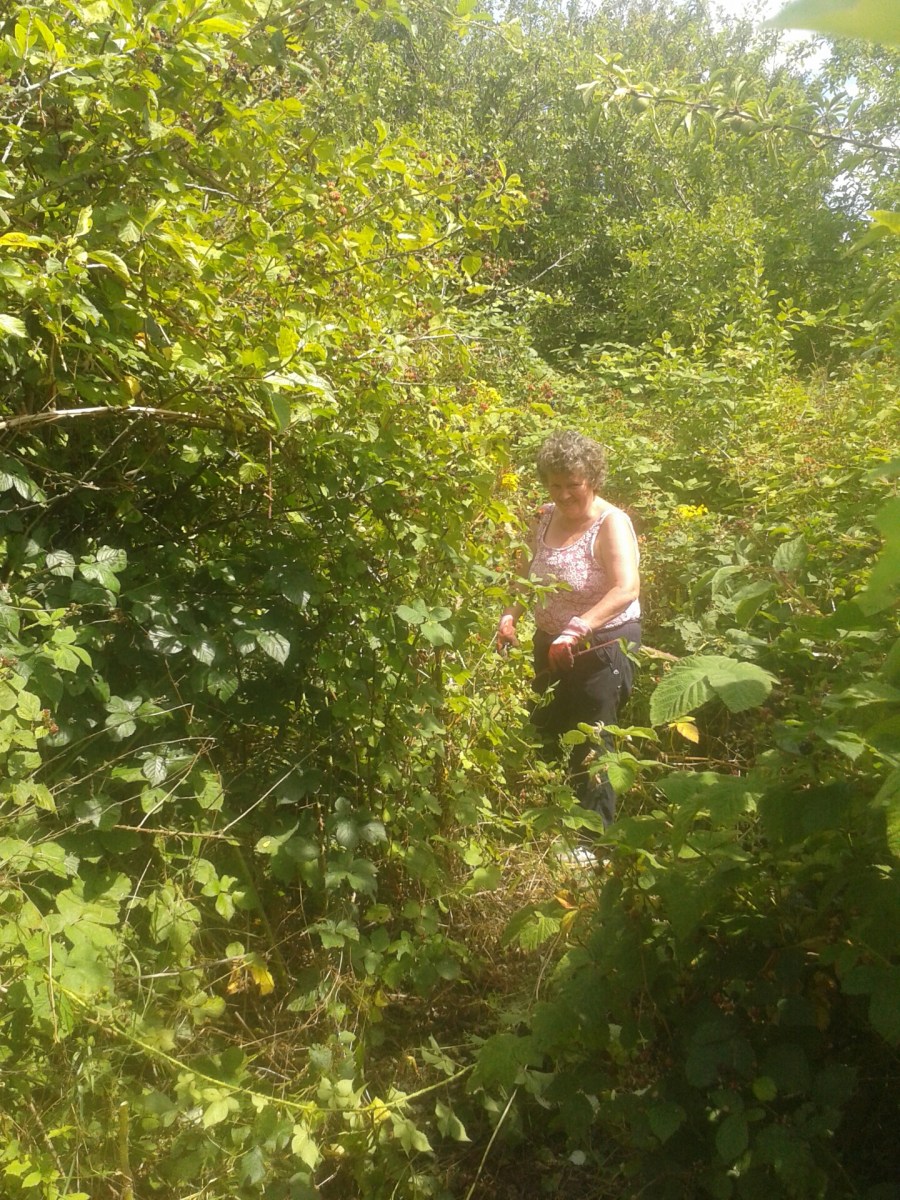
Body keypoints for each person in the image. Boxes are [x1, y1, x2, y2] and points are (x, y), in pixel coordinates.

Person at [496, 430, 641, 855]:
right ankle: (551, 817)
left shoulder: (611, 523)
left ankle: (591, 843)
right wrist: (510, 616)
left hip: (603, 645)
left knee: (594, 736)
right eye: (554, 485)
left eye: (572, 485)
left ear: (592, 479)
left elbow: (625, 588)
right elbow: (525, 576)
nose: (562, 495)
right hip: (551, 641)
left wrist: (577, 628)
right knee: (548, 726)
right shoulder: (542, 516)